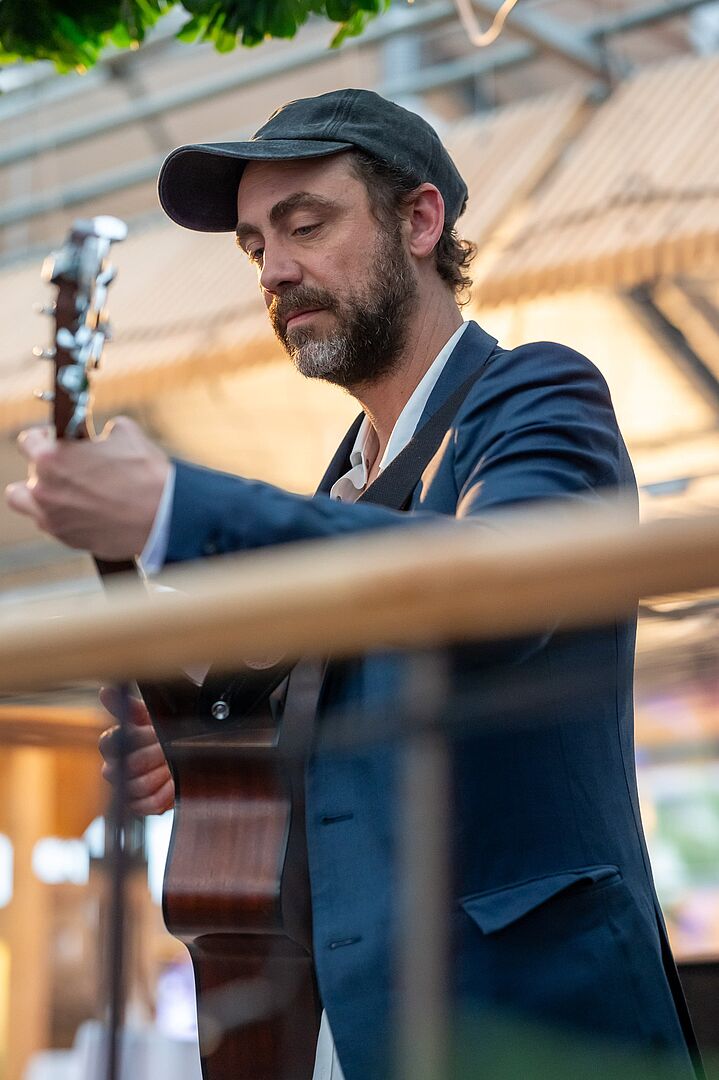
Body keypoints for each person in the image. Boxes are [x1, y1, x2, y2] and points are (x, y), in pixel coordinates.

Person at [6, 89, 702, 1079]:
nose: (274, 270)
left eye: (305, 225)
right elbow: (357, 767)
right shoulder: (333, 497)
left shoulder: (537, 392)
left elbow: (490, 595)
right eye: (254, 246)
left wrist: (176, 506)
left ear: (419, 220)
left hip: (536, 1027)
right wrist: (218, 755)